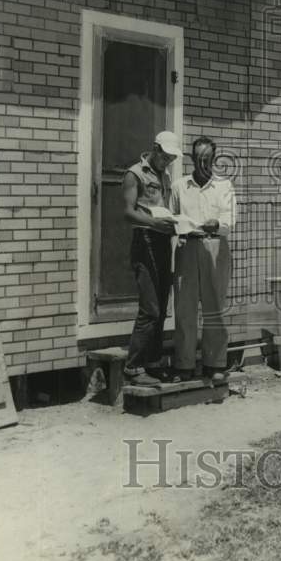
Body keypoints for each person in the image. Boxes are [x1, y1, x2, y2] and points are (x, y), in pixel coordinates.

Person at [170, 136, 237, 384]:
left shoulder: (224, 186)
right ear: (190, 158)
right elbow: (171, 220)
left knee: (214, 308)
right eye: (198, 160)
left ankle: (215, 363)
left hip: (215, 248)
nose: (203, 164)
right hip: (187, 247)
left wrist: (216, 223)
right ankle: (184, 365)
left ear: (214, 159)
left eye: (207, 160)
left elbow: (230, 222)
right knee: (185, 309)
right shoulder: (179, 186)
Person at [121, 131, 181, 387]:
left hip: (163, 242)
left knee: (161, 307)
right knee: (150, 308)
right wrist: (156, 224)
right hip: (145, 240)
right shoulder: (134, 173)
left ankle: (153, 363)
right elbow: (128, 213)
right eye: (164, 156)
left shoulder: (164, 175)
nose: (167, 162)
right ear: (155, 148)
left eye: (171, 158)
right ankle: (133, 367)